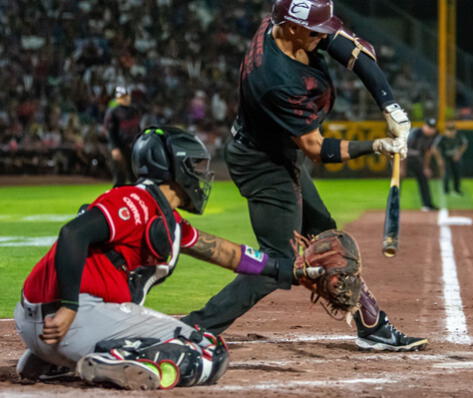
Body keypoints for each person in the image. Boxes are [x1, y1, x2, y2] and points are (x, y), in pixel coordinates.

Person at [182, 0, 428, 351]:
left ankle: (371, 324)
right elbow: (318, 149)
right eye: (316, 31)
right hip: (262, 163)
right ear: (294, 28)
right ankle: (192, 328)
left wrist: (390, 107)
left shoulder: (282, 27)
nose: (323, 36)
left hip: (279, 153)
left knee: (327, 239)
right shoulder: (277, 81)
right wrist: (376, 145)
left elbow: (357, 53)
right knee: (278, 264)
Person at [14, 126, 315, 390]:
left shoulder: (161, 215)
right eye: (194, 165)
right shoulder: (136, 201)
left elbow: (224, 252)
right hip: (72, 319)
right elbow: (72, 234)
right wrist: (69, 306)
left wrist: (287, 270)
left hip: (45, 326)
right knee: (207, 349)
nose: (201, 175)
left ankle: (52, 361)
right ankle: (111, 358)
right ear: (172, 167)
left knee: (169, 330)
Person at [103, 86, 141, 186]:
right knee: (120, 177)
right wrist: (114, 148)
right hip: (120, 147)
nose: (126, 98)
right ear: (117, 98)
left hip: (133, 146)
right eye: (123, 97)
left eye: (127, 96)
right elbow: (110, 131)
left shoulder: (134, 110)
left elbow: (137, 129)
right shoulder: (113, 111)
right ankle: (115, 199)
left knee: (135, 176)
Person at [405, 118, 443, 211]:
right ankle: (393, 206)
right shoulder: (414, 133)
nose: (431, 130)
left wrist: (426, 167)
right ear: (424, 126)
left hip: (417, 160)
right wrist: (400, 167)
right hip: (404, 159)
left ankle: (427, 204)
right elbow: (402, 149)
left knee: (424, 179)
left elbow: (428, 152)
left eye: (433, 128)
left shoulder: (434, 136)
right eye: (429, 127)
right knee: (397, 180)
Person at [435, 122, 468, 195]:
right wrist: (439, 159)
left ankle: (457, 189)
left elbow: (465, 144)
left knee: (457, 173)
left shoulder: (459, 136)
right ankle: (446, 190)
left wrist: (459, 154)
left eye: (452, 130)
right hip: (445, 157)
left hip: (455, 157)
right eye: (449, 130)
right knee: (446, 173)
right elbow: (435, 148)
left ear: (455, 130)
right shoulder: (442, 137)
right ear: (446, 130)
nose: (451, 132)